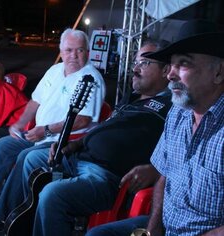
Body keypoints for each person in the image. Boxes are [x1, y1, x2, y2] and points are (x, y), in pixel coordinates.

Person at [0, 39, 173, 236]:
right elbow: (102, 129)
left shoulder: (172, 108)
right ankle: (17, 219)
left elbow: (179, 154)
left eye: (144, 62)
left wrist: (156, 169)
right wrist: (73, 144)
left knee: (51, 194)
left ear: (166, 70)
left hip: (105, 174)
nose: (135, 68)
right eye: (135, 62)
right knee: (27, 157)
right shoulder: (129, 99)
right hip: (77, 154)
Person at [86, 19, 224, 236]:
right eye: (171, 64)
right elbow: (164, 177)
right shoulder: (178, 114)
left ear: (218, 73)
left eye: (184, 63)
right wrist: (153, 229)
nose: (170, 74)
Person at [0, 28, 106, 214]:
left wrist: (45, 130)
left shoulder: (90, 78)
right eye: (69, 50)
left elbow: (82, 120)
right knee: (4, 143)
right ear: (61, 51)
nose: (73, 55)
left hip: (63, 143)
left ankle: (5, 214)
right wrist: (19, 124)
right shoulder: (55, 70)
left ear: (87, 51)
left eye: (79, 50)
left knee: (25, 156)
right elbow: (34, 101)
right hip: (41, 134)